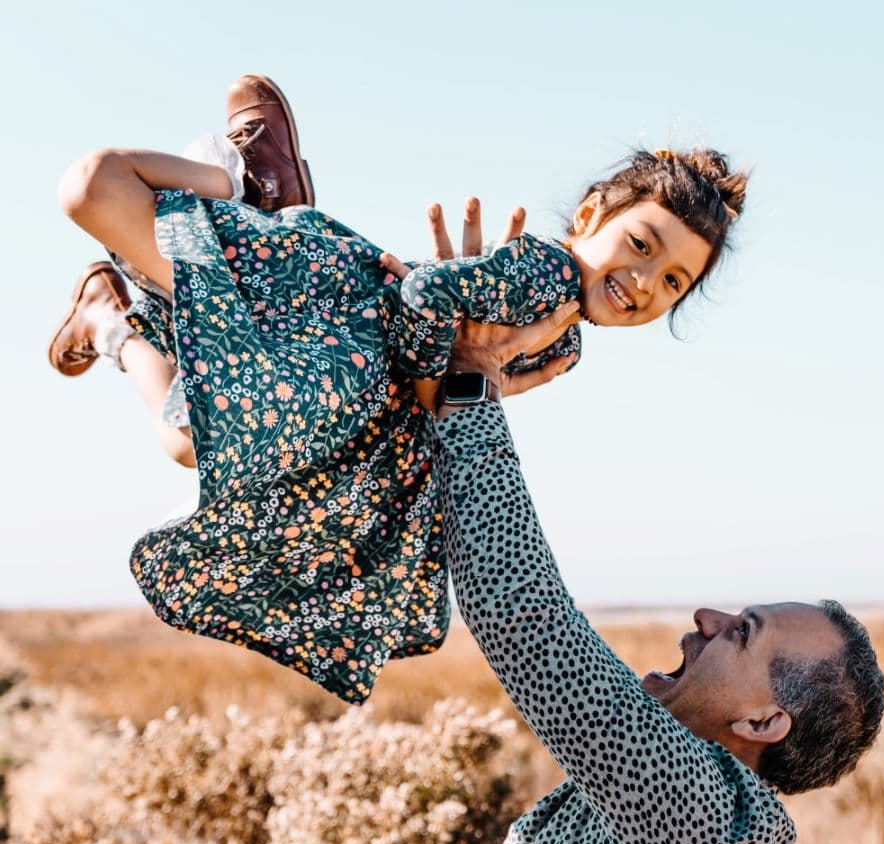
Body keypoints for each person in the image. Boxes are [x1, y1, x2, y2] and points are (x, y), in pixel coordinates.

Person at [52, 75, 747, 703]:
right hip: (327, 317)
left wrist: (460, 388)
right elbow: (421, 295)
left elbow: (464, 396)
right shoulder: (541, 275)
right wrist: (433, 380)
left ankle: (111, 317)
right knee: (91, 187)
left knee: (184, 441)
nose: (646, 281)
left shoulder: (567, 342)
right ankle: (244, 185)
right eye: (643, 244)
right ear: (592, 216)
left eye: (673, 282)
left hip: (345, 394)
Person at [388, 208, 884, 844]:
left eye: (744, 632)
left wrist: (471, 377)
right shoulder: (605, 803)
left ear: (767, 722)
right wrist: (456, 357)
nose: (706, 619)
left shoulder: (720, 821)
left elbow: (530, 623)